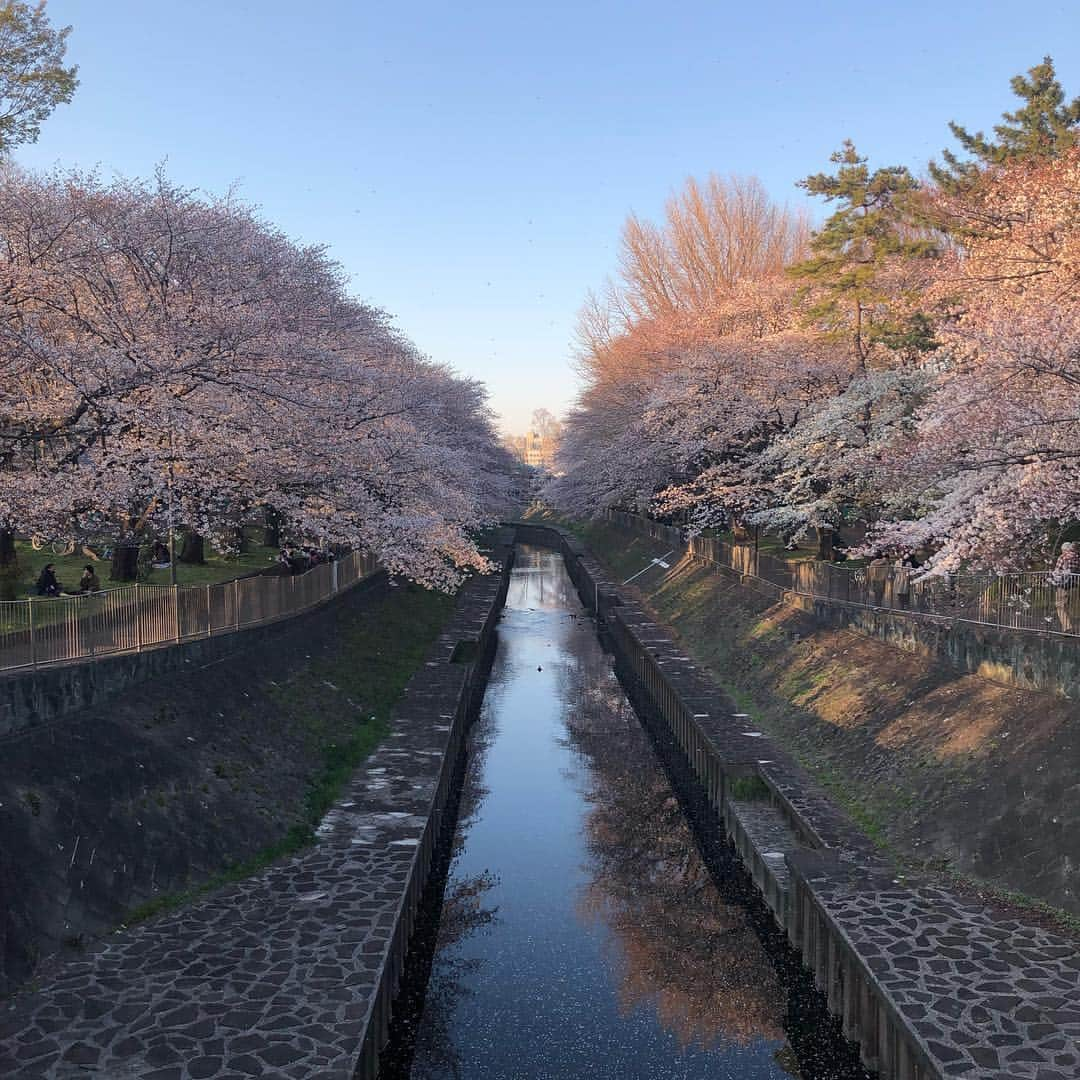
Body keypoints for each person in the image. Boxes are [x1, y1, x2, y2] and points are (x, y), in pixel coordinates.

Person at [1050, 541, 1079, 633]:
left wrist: (1053, 577)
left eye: (1062, 550)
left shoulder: (1063, 557)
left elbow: (1057, 571)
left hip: (1063, 585)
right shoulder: (1077, 557)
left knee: (1060, 606)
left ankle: (1067, 628)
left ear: (1064, 550)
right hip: (1075, 584)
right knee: (1071, 607)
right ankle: (1068, 628)